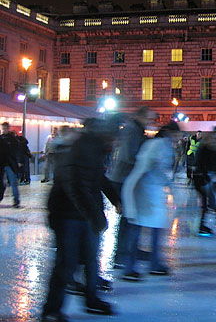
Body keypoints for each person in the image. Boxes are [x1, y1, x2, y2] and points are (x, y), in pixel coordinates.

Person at [42, 118, 121, 321]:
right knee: (66, 263)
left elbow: (97, 178)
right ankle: (51, 310)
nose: (116, 142)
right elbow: (75, 186)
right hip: (68, 214)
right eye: (114, 136)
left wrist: (115, 199)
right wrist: (95, 217)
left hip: (81, 214)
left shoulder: (93, 148)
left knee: (90, 259)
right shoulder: (83, 148)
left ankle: (92, 300)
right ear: (106, 134)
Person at [121, 122, 179, 281]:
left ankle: (153, 263)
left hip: (153, 191)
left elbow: (162, 170)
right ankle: (130, 266)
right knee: (137, 228)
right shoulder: (156, 145)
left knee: (155, 228)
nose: (177, 138)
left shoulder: (164, 145)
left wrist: (169, 185)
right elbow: (145, 166)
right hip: (143, 191)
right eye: (176, 134)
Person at [109, 107, 157, 267]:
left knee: (131, 217)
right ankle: (122, 253)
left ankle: (129, 249)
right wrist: (146, 163)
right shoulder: (132, 131)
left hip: (126, 178)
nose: (150, 122)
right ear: (141, 117)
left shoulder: (135, 130)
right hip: (123, 178)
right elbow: (129, 155)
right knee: (129, 217)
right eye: (149, 119)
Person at [0, 123, 21, 207]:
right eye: (2, 129)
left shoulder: (12, 139)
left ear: (8, 128)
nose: (3, 130)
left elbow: (17, 150)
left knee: (13, 182)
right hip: (2, 164)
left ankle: (16, 199)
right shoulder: (1, 138)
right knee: (2, 183)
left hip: (10, 164)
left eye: (5, 128)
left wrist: (19, 161)